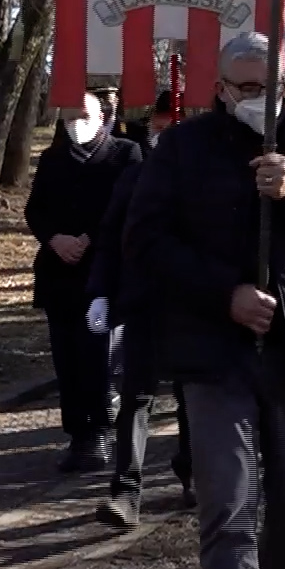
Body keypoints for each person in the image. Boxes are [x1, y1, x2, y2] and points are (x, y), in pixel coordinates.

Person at [124, 32, 285, 569]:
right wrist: (224, 295)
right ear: (222, 89)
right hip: (214, 354)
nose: (261, 98)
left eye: (271, 86)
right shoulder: (183, 147)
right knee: (229, 510)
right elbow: (145, 241)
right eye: (248, 88)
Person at [88, 90, 194, 529]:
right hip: (142, 303)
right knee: (136, 397)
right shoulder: (133, 177)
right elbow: (110, 237)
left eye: (173, 126)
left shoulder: (205, 179)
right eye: (158, 125)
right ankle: (126, 491)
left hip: (193, 306)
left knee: (191, 396)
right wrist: (100, 292)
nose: (162, 133)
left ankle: (192, 471)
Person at [24, 91, 142, 473]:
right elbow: (35, 209)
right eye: (70, 117)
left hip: (101, 271)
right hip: (58, 273)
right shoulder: (53, 159)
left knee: (98, 355)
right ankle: (77, 432)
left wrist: (89, 238)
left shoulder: (125, 154)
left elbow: (128, 206)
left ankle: (100, 430)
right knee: (66, 358)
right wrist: (54, 238)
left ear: (103, 116)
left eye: (85, 116)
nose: (77, 123)